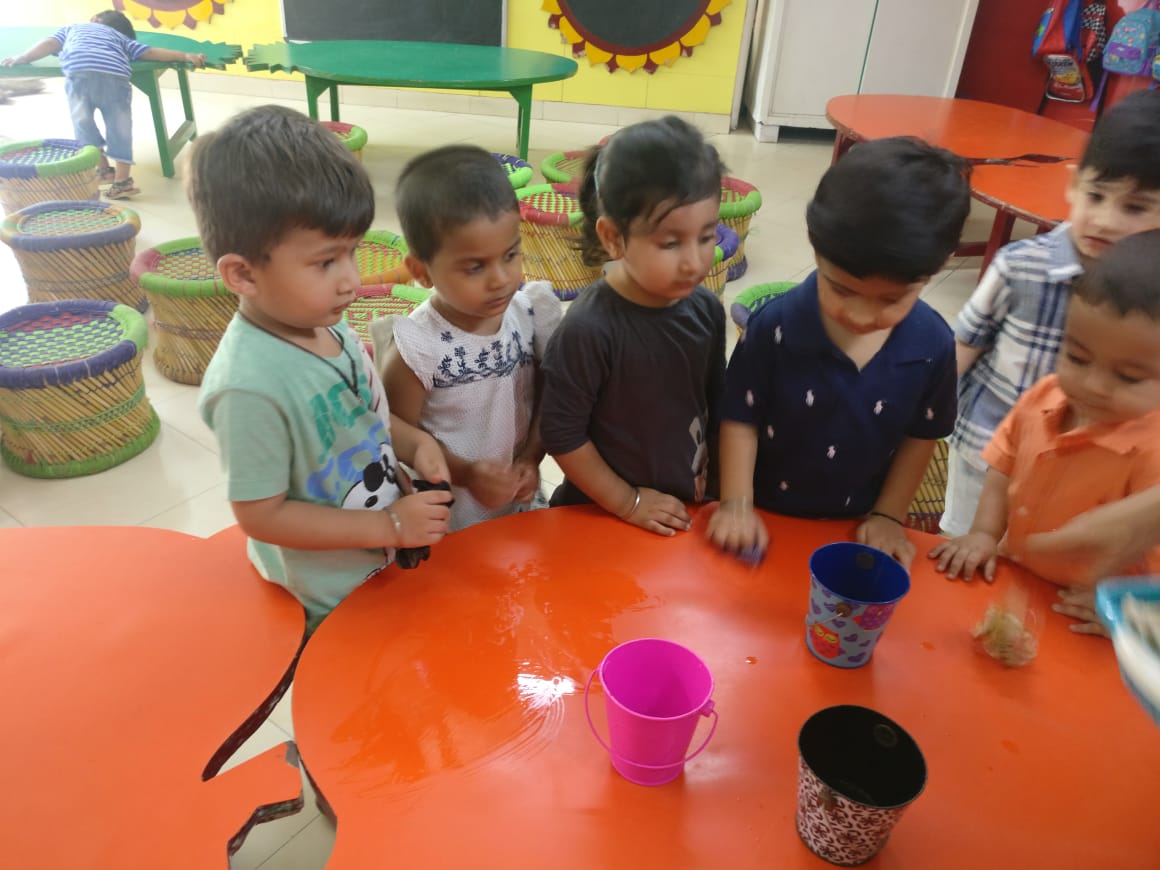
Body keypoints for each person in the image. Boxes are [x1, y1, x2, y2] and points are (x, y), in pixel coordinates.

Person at [188, 105, 452, 631]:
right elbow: (261, 515)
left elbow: (357, 420)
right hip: (326, 600)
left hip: (380, 563)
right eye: (325, 262)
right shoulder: (249, 387)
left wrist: (412, 443)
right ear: (242, 273)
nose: (351, 279)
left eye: (352, 253)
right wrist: (391, 522)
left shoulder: (325, 323)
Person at [708, 137, 970, 568]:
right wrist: (736, 503)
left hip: (855, 527)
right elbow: (740, 418)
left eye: (890, 299)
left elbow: (922, 436)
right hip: (764, 516)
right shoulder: (775, 327)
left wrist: (888, 515)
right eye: (842, 289)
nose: (861, 315)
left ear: (936, 270)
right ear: (815, 247)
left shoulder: (933, 345)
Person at [943, 89, 1160, 536]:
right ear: (1073, 183)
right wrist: (924, 415)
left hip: (1093, 474)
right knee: (965, 545)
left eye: (1135, 207)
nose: (1104, 219)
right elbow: (966, 342)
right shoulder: (1020, 266)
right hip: (985, 450)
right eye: (1095, 195)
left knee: (1035, 561)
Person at [931, 231, 1160, 635]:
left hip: (1086, 611)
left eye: (1128, 377)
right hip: (1015, 579)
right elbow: (1002, 466)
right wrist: (984, 532)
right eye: (1077, 356)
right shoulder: (1043, 395)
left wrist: (1129, 608)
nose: (1094, 385)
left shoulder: (1151, 451)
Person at [539, 116, 727, 537]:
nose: (695, 261)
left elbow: (718, 410)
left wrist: (729, 498)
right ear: (613, 237)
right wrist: (629, 502)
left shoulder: (707, 310)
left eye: (706, 236)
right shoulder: (588, 329)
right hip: (601, 517)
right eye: (671, 243)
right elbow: (562, 435)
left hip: (683, 514)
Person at [379, 145, 562, 531]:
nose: (500, 279)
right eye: (475, 267)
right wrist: (467, 474)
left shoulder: (527, 313)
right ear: (421, 271)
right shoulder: (418, 346)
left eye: (510, 255)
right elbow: (395, 435)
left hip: (518, 507)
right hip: (451, 520)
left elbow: (550, 392)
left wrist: (531, 457)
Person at [1, 10, 207, 200]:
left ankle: (103, 170)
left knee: (83, 124)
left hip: (80, 76)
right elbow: (151, 52)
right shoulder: (122, 39)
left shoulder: (74, 28)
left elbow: (48, 44)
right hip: (114, 78)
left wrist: (23, 57)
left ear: (95, 20)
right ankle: (122, 180)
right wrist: (184, 56)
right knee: (120, 128)